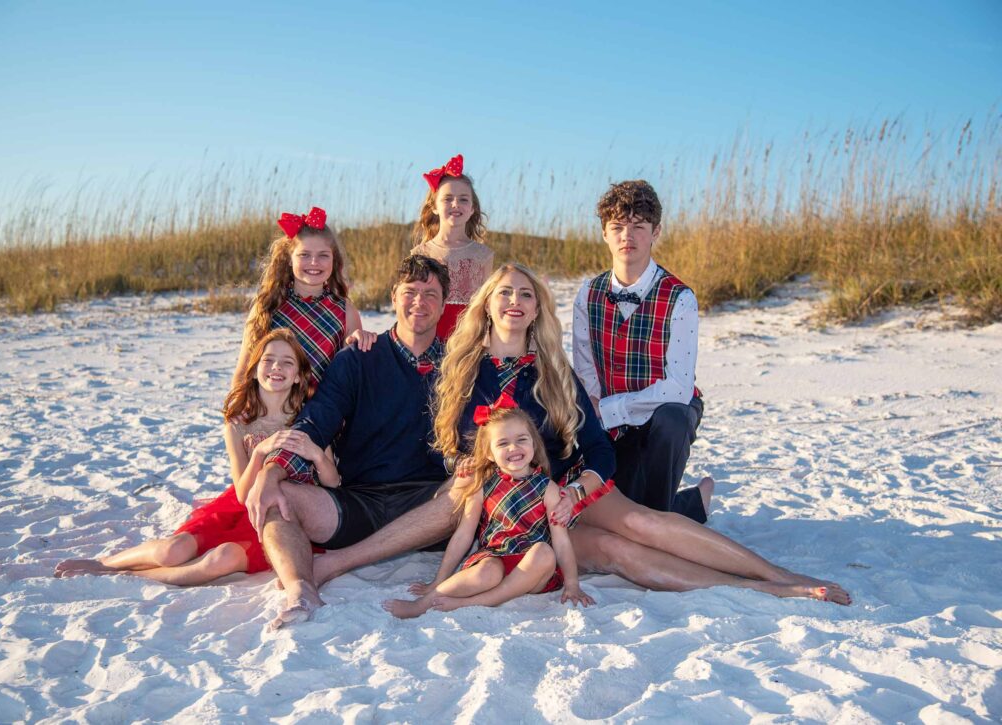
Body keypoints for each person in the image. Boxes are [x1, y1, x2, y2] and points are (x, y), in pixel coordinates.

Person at [314, 264, 851, 605]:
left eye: (526, 294)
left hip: (567, 491)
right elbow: (453, 444)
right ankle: (753, 589)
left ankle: (781, 576)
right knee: (619, 555)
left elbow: (595, 445)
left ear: (536, 309)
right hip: (511, 514)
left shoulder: (553, 369)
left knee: (642, 521)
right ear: (488, 304)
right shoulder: (462, 370)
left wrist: (577, 489)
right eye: (504, 293)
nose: (515, 302)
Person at [245, 255, 458, 629]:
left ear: (444, 303)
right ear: (394, 296)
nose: (419, 302)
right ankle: (300, 588)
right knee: (281, 500)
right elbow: (316, 421)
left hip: (429, 508)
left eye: (430, 294)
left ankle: (336, 563)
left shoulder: (457, 366)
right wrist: (272, 471)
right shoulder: (359, 358)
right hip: (360, 501)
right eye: (410, 292)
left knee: (471, 487)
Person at [54, 331, 338, 584]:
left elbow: (333, 483)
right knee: (172, 550)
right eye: (268, 360)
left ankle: (135, 575)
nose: (277, 367)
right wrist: (261, 451)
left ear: (299, 375)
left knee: (222, 560)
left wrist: (317, 454)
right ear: (253, 370)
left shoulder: (309, 418)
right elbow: (241, 494)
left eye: (288, 362)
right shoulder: (239, 422)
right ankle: (106, 563)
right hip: (240, 506)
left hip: (286, 515)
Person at [573, 180, 707, 522]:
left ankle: (662, 521)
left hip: (661, 413)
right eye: (617, 227)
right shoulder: (588, 293)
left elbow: (677, 387)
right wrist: (594, 408)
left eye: (638, 227)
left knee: (672, 419)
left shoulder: (681, 298)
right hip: (606, 415)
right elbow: (585, 366)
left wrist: (611, 409)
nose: (626, 237)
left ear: (656, 231)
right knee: (613, 510)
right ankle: (691, 504)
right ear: (604, 233)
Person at [383, 404, 592, 619]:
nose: (513, 448)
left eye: (521, 439)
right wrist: (438, 580)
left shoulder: (548, 488)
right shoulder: (483, 485)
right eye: (503, 443)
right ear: (489, 454)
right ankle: (422, 604)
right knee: (487, 572)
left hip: (534, 571)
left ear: (533, 443)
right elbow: (464, 535)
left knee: (544, 552)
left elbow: (561, 541)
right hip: (495, 556)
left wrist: (572, 584)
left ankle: (477, 602)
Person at [232, 206, 375, 390]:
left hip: (322, 415)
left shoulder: (345, 311)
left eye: (323, 255)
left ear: (334, 260)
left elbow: (352, 376)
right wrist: (237, 409)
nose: (314, 262)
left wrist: (360, 341)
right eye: (304, 255)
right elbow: (244, 369)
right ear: (289, 259)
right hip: (271, 413)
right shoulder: (268, 305)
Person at [410, 154, 494, 339]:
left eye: (463, 199)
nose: (455, 204)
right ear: (434, 206)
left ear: (472, 209)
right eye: (447, 198)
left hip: (467, 342)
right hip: (428, 340)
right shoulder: (420, 254)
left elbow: (487, 310)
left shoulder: (483, 255)